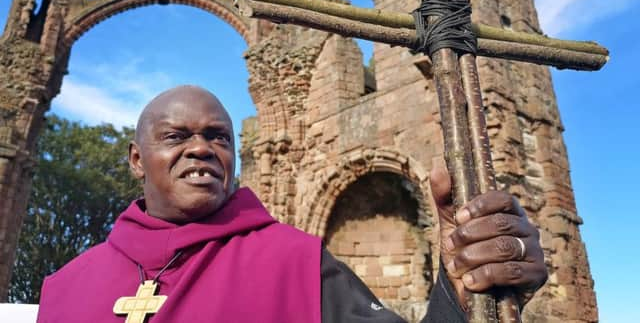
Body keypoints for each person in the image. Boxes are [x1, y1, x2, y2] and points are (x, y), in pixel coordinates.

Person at [37, 85, 547, 323]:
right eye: (176, 136)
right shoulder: (63, 290)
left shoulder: (297, 263)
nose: (201, 148)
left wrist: (461, 292)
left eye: (219, 137)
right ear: (135, 157)